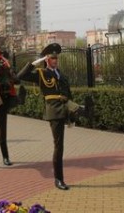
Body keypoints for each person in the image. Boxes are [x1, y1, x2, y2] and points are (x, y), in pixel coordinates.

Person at [17, 43, 84, 191]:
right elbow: (20, 76)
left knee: (61, 144)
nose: (55, 60)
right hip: (53, 110)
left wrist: (71, 116)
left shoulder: (62, 75)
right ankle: (58, 179)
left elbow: (68, 95)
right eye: (52, 58)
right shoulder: (42, 73)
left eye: (56, 58)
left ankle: (82, 111)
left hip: (64, 107)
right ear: (47, 59)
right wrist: (35, 63)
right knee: (58, 146)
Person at [0, 50, 19, 166]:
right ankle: (5, 156)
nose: (4, 61)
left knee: (2, 128)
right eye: (2, 59)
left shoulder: (8, 69)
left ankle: (19, 100)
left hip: (9, 97)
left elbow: (17, 80)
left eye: (5, 59)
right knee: (2, 129)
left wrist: (11, 76)